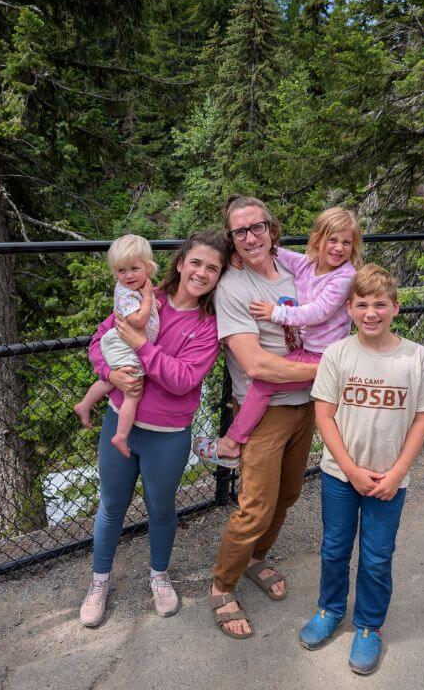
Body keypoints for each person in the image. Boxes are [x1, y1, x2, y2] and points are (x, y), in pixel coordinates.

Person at [78, 230, 229, 627]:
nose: (201, 272)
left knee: (161, 509)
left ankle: (159, 576)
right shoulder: (143, 294)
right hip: (119, 417)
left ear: (218, 277)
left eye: (212, 268)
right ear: (180, 263)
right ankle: (99, 581)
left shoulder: (209, 325)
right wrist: (110, 371)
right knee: (112, 506)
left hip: (167, 433)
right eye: (196, 262)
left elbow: (182, 379)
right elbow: (100, 339)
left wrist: (142, 347)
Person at [299, 264, 424, 674]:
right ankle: (329, 610)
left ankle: (368, 626)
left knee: (378, 557)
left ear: (395, 307)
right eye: (362, 304)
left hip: (390, 480)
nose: (371, 313)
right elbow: (324, 416)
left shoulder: (415, 356)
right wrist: (350, 469)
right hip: (340, 476)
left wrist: (396, 474)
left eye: (380, 304)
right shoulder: (338, 354)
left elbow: (421, 419)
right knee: (334, 548)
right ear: (349, 308)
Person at [208, 195, 320, 639]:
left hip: (306, 404)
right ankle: (222, 583)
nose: (251, 237)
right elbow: (256, 365)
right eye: (240, 231)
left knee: (289, 494)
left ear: (272, 230)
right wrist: (333, 368)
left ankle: (256, 558)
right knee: (255, 506)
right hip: (265, 411)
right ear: (232, 241)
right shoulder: (233, 288)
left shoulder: (296, 270)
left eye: (257, 227)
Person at [193, 207, 362, 468]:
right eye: (333, 240)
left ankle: (231, 443)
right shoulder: (308, 264)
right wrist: (232, 256)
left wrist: (276, 313)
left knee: (264, 383)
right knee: (269, 380)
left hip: (322, 353)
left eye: (346, 243)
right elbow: (274, 253)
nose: (339, 248)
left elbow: (317, 312)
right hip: (309, 350)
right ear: (317, 239)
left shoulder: (344, 277)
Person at [74, 234, 160, 458]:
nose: (128, 275)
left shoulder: (137, 290)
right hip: (123, 344)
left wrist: (150, 300)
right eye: (121, 270)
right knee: (133, 391)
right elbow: (139, 321)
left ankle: (84, 405)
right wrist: (149, 298)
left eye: (134, 268)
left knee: (110, 381)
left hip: (122, 343)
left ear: (148, 268)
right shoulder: (128, 294)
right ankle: (121, 435)